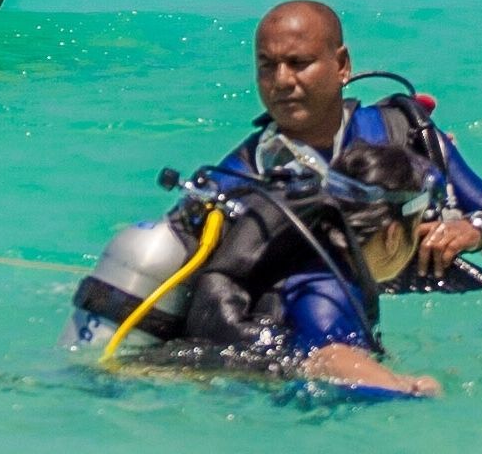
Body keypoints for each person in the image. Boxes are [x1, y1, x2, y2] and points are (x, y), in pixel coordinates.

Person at [70, 133, 447, 397]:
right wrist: (403, 387)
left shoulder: (305, 258)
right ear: (395, 234)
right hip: (167, 386)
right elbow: (330, 357)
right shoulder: (329, 287)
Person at [224, 0, 482, 287]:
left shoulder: (403, 132)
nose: (282, 80)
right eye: (267, 66)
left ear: (342, 64)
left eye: (298, 63)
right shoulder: (242, 174)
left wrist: (476, 231)